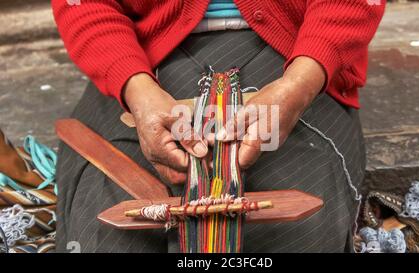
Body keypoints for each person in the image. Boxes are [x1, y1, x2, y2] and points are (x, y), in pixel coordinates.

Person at [51, 0, 385, 252]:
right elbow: (86, 7)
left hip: (297, 57)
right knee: (108, 233)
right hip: (141, 60)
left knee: (298, 233)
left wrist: (299, 86)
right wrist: (135, 89)